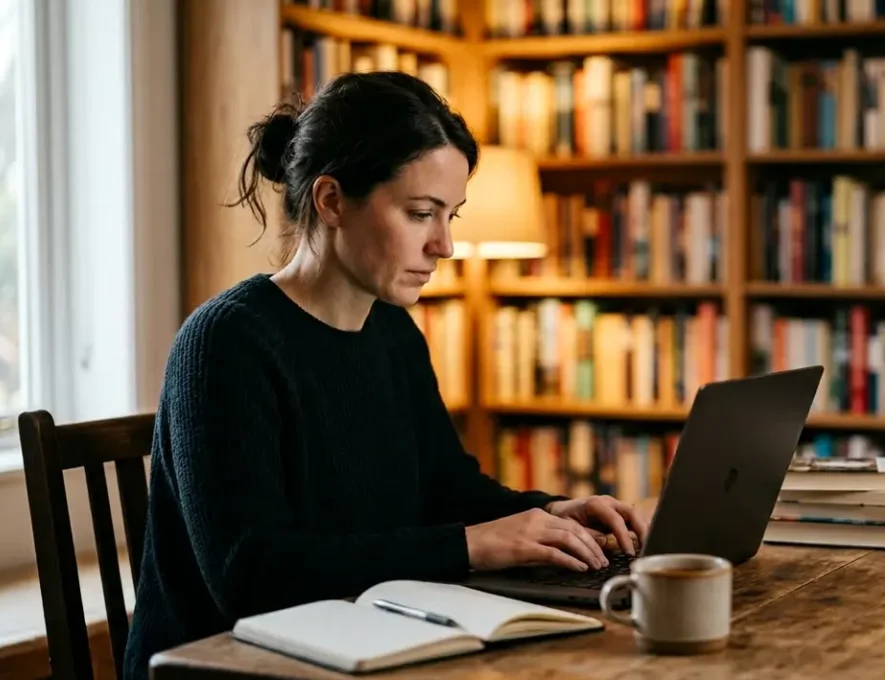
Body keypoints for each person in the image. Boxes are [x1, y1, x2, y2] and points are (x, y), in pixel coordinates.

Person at [122, 72, 648, 680]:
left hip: (363, 648)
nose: (445, 245)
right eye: (421, 213)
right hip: (230, 666)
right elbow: (251, 575)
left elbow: (450, 491)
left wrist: (555, 513)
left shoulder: (394, 333)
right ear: (331, 201)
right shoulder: (225, 342)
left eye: (451, 215)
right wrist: (472, 544)